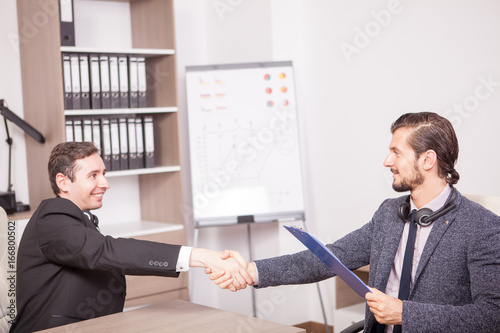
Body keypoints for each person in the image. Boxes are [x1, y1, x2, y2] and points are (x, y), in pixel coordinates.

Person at [209, 112, 500, 332]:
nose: (387, 161)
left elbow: (492, 315)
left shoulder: (482, 227)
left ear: (428, 160)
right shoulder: (389, 214)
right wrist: (252, 270)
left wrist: (404, 313)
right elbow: (328, 258)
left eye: (397, 152)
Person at [10, 142, 252, 333]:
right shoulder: (52, 216)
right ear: (62, 181)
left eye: (103, 173)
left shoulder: (76, 219)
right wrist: (201, 256)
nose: (105, 183)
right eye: (93, 175)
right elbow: (107, 251)